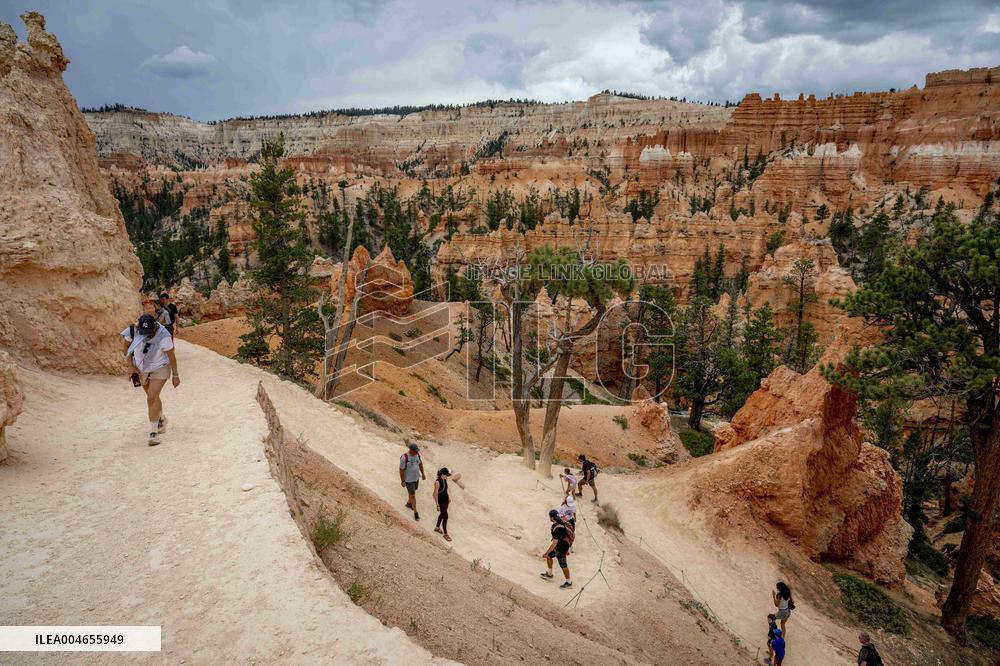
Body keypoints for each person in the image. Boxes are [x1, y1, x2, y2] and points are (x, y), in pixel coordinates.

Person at [121, 314, 180, 446]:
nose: (145, 335)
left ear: (154, 327)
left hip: (160, 367)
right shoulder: (132, 331)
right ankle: (161, 419)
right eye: (143, 332)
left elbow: (171, 356)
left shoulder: (164, 336)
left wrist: (175, 375)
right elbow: (126, 349)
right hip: (142, 368)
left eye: (148, 332)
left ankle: (153, 433)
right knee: (152, 396)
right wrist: (130, 366)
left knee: (151, 397)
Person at [540, 509, 573, 588]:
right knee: (550, 556)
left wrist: (546, 553)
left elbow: (554, 543)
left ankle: (569, 582)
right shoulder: (559, 522)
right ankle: (549, 574)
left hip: (561, 548)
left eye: (549, 517)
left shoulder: (558, 528)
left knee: (563, 565)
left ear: (552, 518)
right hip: (559, 546)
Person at [399, 441, 425, 521]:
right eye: (415, 451)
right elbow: (401, 470)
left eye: (417, 451)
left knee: (413, 493)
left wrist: (423, 474)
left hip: (416, 478)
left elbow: (420, 464)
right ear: (411, 450)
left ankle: (409, 503)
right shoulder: (404, 458)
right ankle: (415, 513)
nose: (417, 452)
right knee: (413, 495)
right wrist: (403, 481)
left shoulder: (417, 455)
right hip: (409, 480)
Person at [433, 467, 452, 541]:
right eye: (446, 475)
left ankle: (437, 527)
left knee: (442, 514)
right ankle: (445, 534)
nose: (447, 476)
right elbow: (435, 494)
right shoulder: (437, 482)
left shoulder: (445, 479)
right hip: (441, 501)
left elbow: (445, 490)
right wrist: (437, 505)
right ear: (442, 474)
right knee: (446, 516)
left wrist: (448, 498)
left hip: (446, 500)